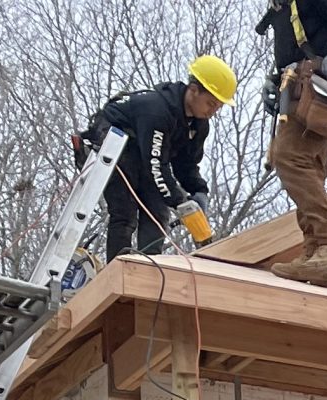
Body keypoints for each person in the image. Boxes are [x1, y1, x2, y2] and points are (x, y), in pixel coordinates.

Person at [89, 60, 233, 261]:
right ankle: (118, 269)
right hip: (117, 140)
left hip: (147, 155)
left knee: (158, 213)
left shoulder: (199, 125)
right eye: (211, 103)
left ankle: (149, 269)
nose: (213, 111)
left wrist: (199, 191)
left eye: (218, 107)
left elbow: (187, 164)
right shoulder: (156, 110)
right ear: (193, 90)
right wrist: (181, 202)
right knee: (126, 213)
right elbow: (155, 165)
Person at [259, 0, 327, 286]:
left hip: (314, 88)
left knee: (290, 158)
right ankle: (316, 255)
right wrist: (274, 78)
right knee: (307, 170)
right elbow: (292, 45)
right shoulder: (281, 6)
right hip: (298, 88)